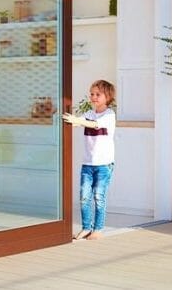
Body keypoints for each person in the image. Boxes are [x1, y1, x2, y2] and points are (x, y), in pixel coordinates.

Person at [62, 80, 116, 240]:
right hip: (87, 164)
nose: (93, 97)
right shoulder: (89, 113)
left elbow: (93, 124)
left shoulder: (109, 115)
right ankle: (86, 228)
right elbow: (78, 122)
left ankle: (98, 229)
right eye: (92, 94)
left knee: (99, 196)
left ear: (108, 97)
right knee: (84, 197)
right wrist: (68, 119)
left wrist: (77, 120)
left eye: (97, 94)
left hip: (104, 165)